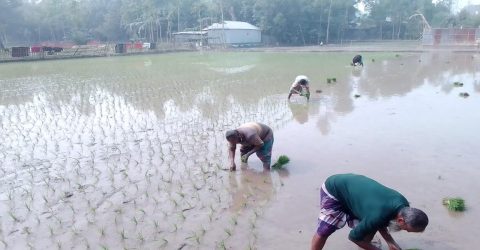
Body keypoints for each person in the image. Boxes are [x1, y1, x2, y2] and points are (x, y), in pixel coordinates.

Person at [311, 173, 428, 250]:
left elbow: (381, 222)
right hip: (335, 189)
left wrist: (391, 242)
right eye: (406, 229)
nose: (405, 231)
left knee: (369, 230)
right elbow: (353, 237)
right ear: (401, 220)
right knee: (326, 229)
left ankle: (365, 245)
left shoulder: (403, 206)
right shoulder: (380, 213)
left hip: (356, 194)